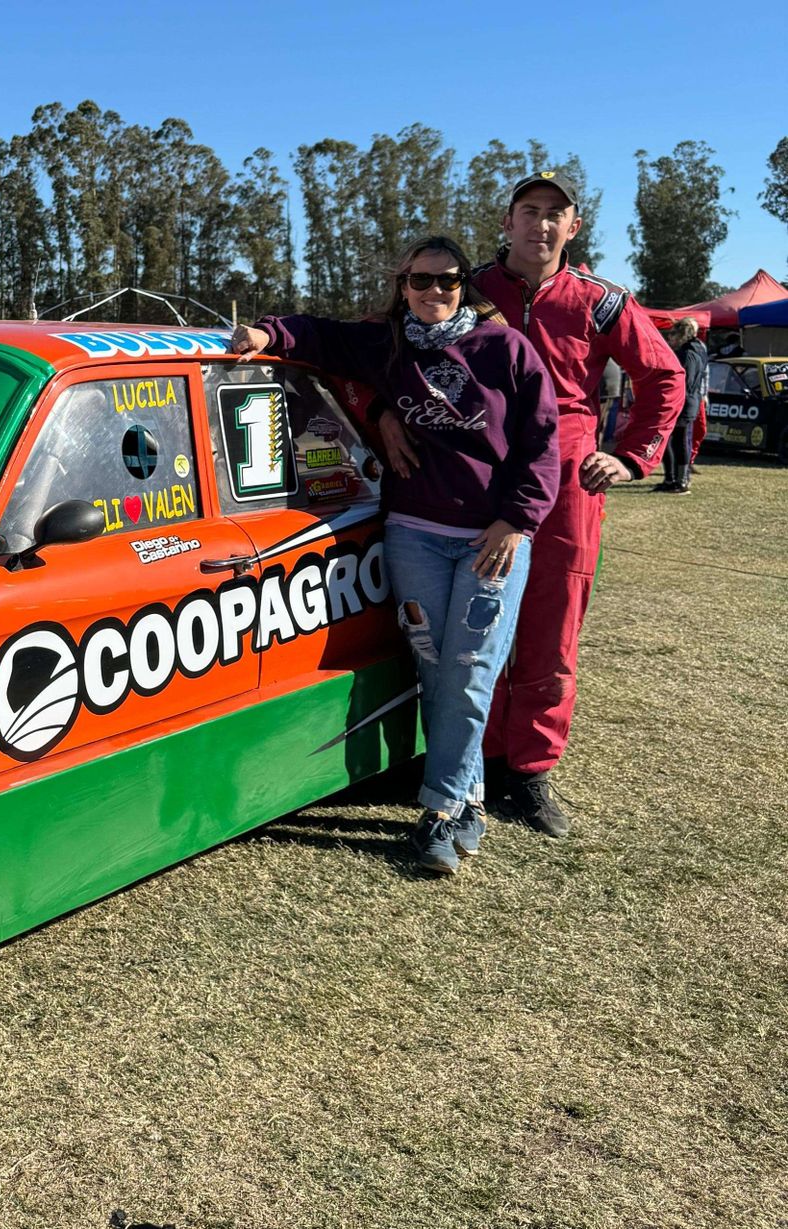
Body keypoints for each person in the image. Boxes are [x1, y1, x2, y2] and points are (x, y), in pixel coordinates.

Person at [232, 236, 559, 875]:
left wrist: (516, 522)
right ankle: (470, 801)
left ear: (467, 284)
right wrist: (263, 333)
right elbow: (314, 337)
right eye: (421, 281)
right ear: (401, 284)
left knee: (471, 669)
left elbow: (542, 444)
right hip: (413, 533)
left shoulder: (506, 350)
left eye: (449, 281)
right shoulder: (387, 344)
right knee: (437, 670)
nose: (434, 292)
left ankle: (437, 809)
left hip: (491, 542)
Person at [376, 170, 682, 838]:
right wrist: (381, 412)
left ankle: (531, 767)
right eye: (529, 210)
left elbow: (664, 374)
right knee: (460, 628)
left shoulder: (601, 301)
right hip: (465, 467)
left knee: (549, 624)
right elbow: (382, 347)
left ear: (573, 227)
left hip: (565, 469)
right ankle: (470, 762)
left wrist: (631, 454)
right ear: (507, 222)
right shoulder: (462, 283)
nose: (541, 224)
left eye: (555, 214)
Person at [659, 318, 707, 493]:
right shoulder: (694, 350)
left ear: (680, 335)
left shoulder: (688, 353)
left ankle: (681, 480)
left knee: (679, 441)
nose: (670, 339)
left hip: (683, 402)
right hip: (686, 401)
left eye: (672, 335)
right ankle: (672, 478)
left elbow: (684, 381)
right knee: (673, 440)